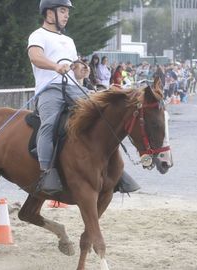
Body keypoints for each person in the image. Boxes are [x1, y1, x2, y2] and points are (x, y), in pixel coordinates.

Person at [28, 0, 138, 195]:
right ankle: (47, 171)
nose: (66, 15)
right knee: (49, 124)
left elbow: (74, 70)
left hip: (73, 88)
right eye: (62, 10)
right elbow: (36, 57)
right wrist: (55, 66)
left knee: (103, 117)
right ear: (49, 14)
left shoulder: (68, 41)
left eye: (67, 11)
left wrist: (81, 70)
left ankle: (116, 172)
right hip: (49, 90)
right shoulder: (38, 35)